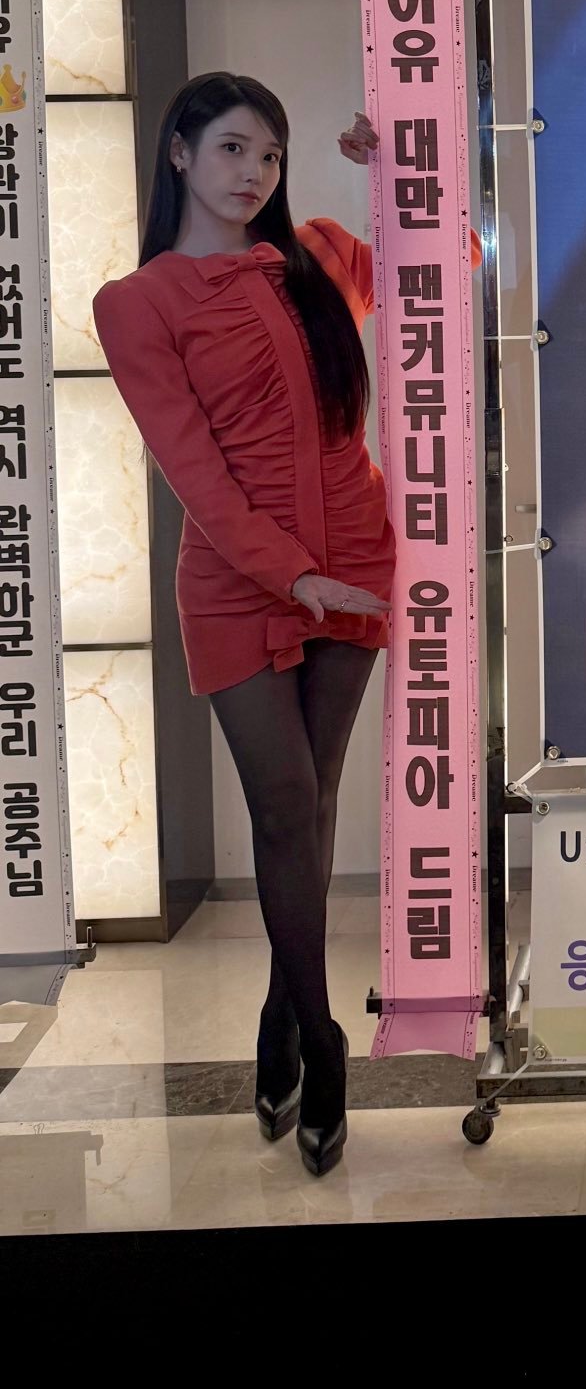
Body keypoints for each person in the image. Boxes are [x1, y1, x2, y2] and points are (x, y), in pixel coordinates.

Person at [95, 75, 390, 1177]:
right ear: (178, 152)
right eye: (231, 147)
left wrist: (395, 170)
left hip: (356, 562)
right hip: (235, 578)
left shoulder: (315, 256)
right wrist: (289, 574)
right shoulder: (137, 302)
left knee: (309, 801)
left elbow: (446, 262)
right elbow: (194, 473)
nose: (254, 171)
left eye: (269, 153)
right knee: (282, 800)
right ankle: (323, 1035)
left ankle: (280, 1010)